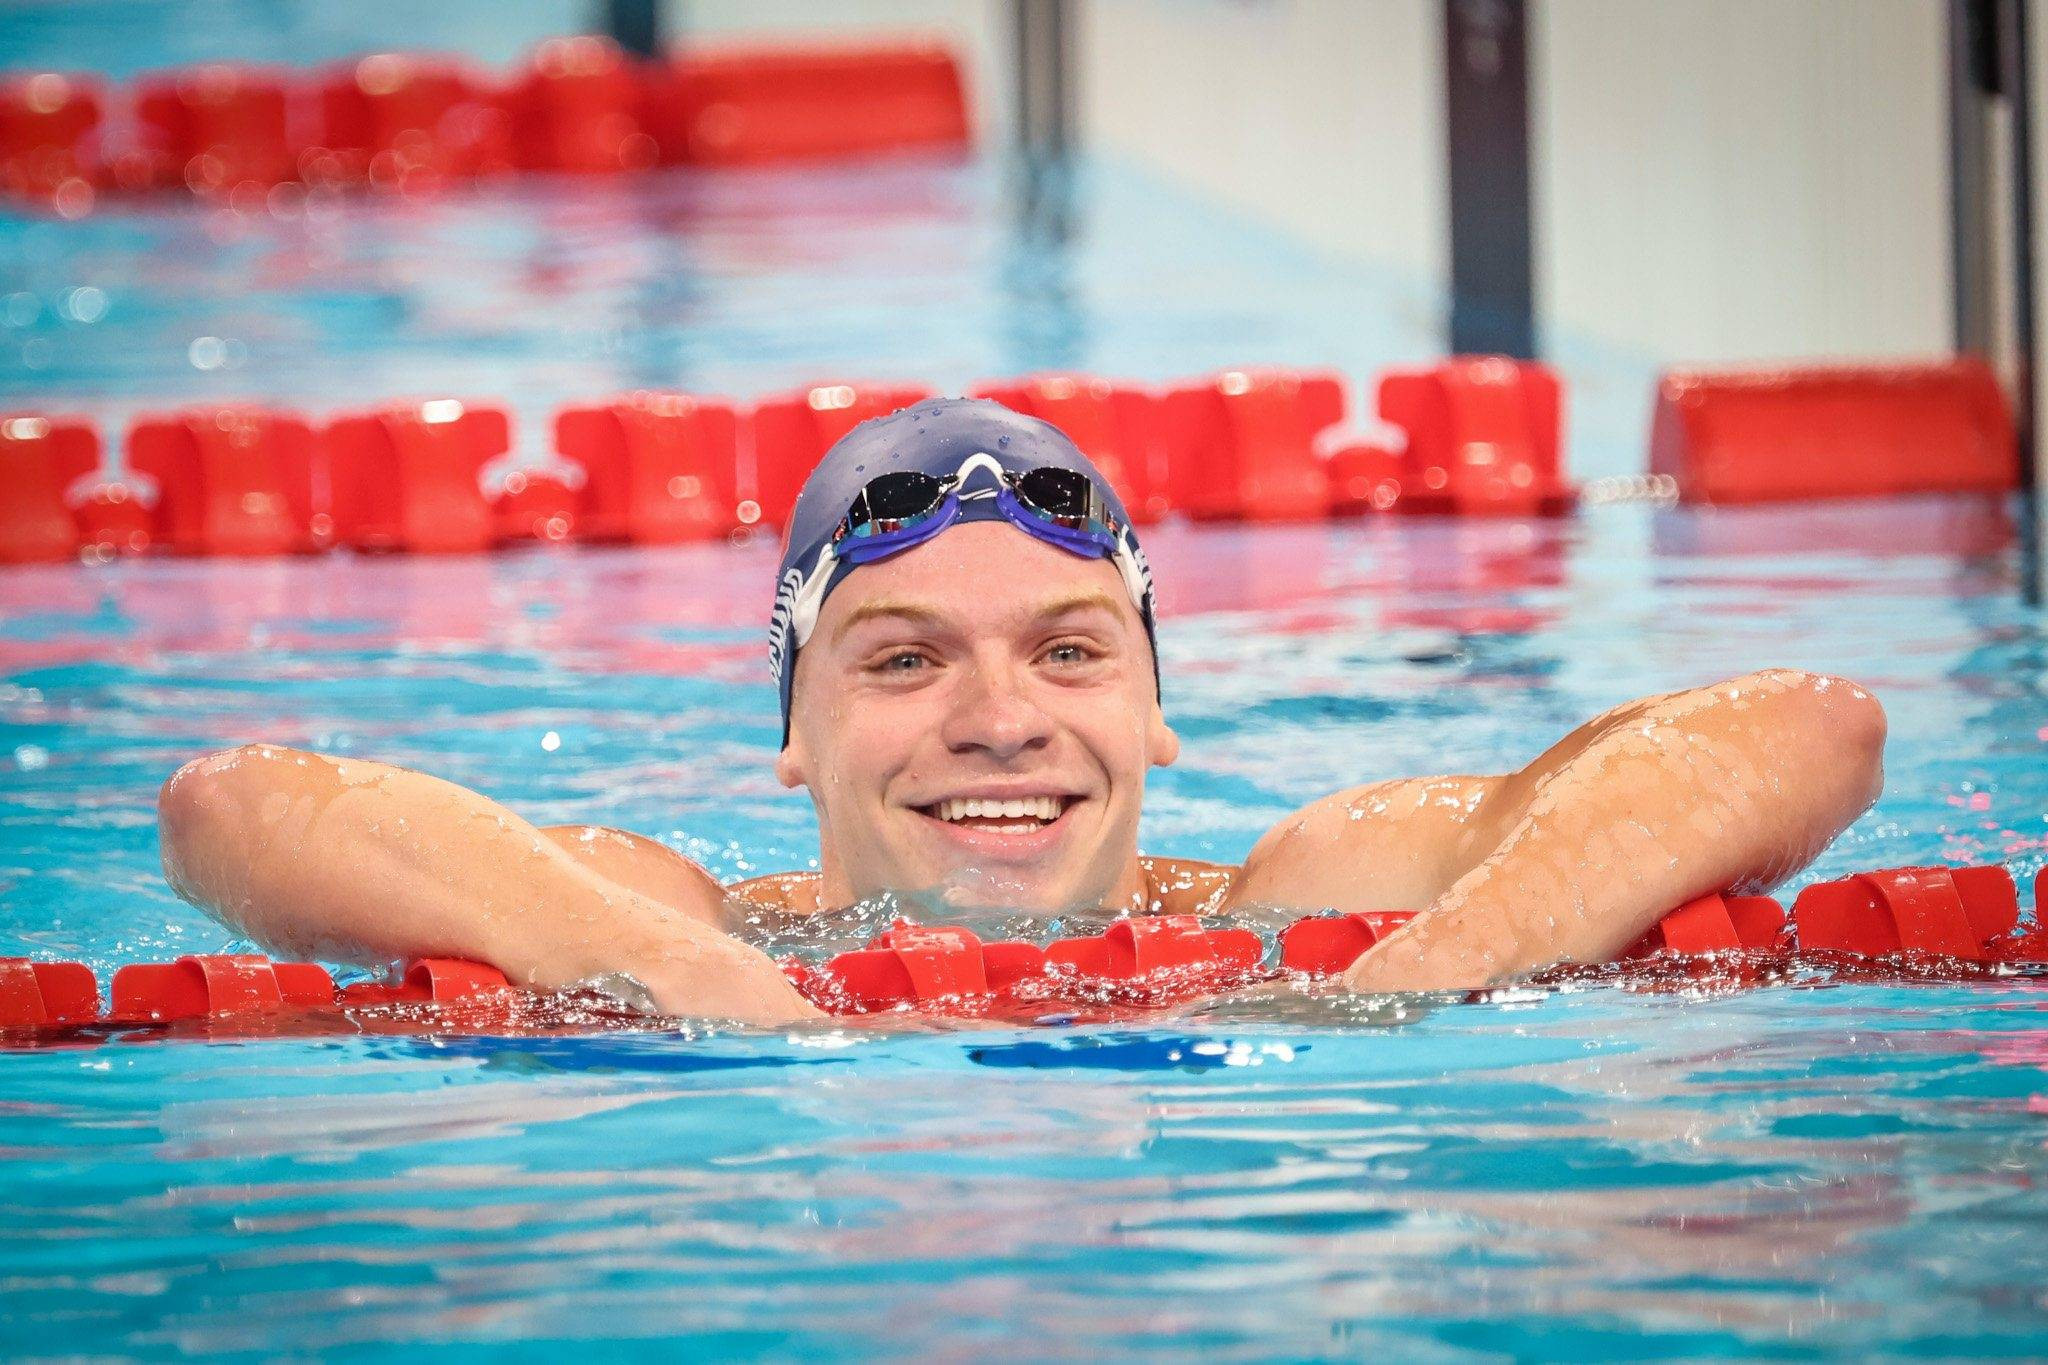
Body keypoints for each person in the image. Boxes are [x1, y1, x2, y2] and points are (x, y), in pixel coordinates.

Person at [156, 399, 1887, 1024]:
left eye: (1071, 652)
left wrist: (1438, 967)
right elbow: (233, 809)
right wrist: (687, 979)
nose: (1004, 720)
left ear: (1157, 713)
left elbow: (1809, 729)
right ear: (792, 730)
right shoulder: (681, 926)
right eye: (904, 659)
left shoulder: (1306, 900)